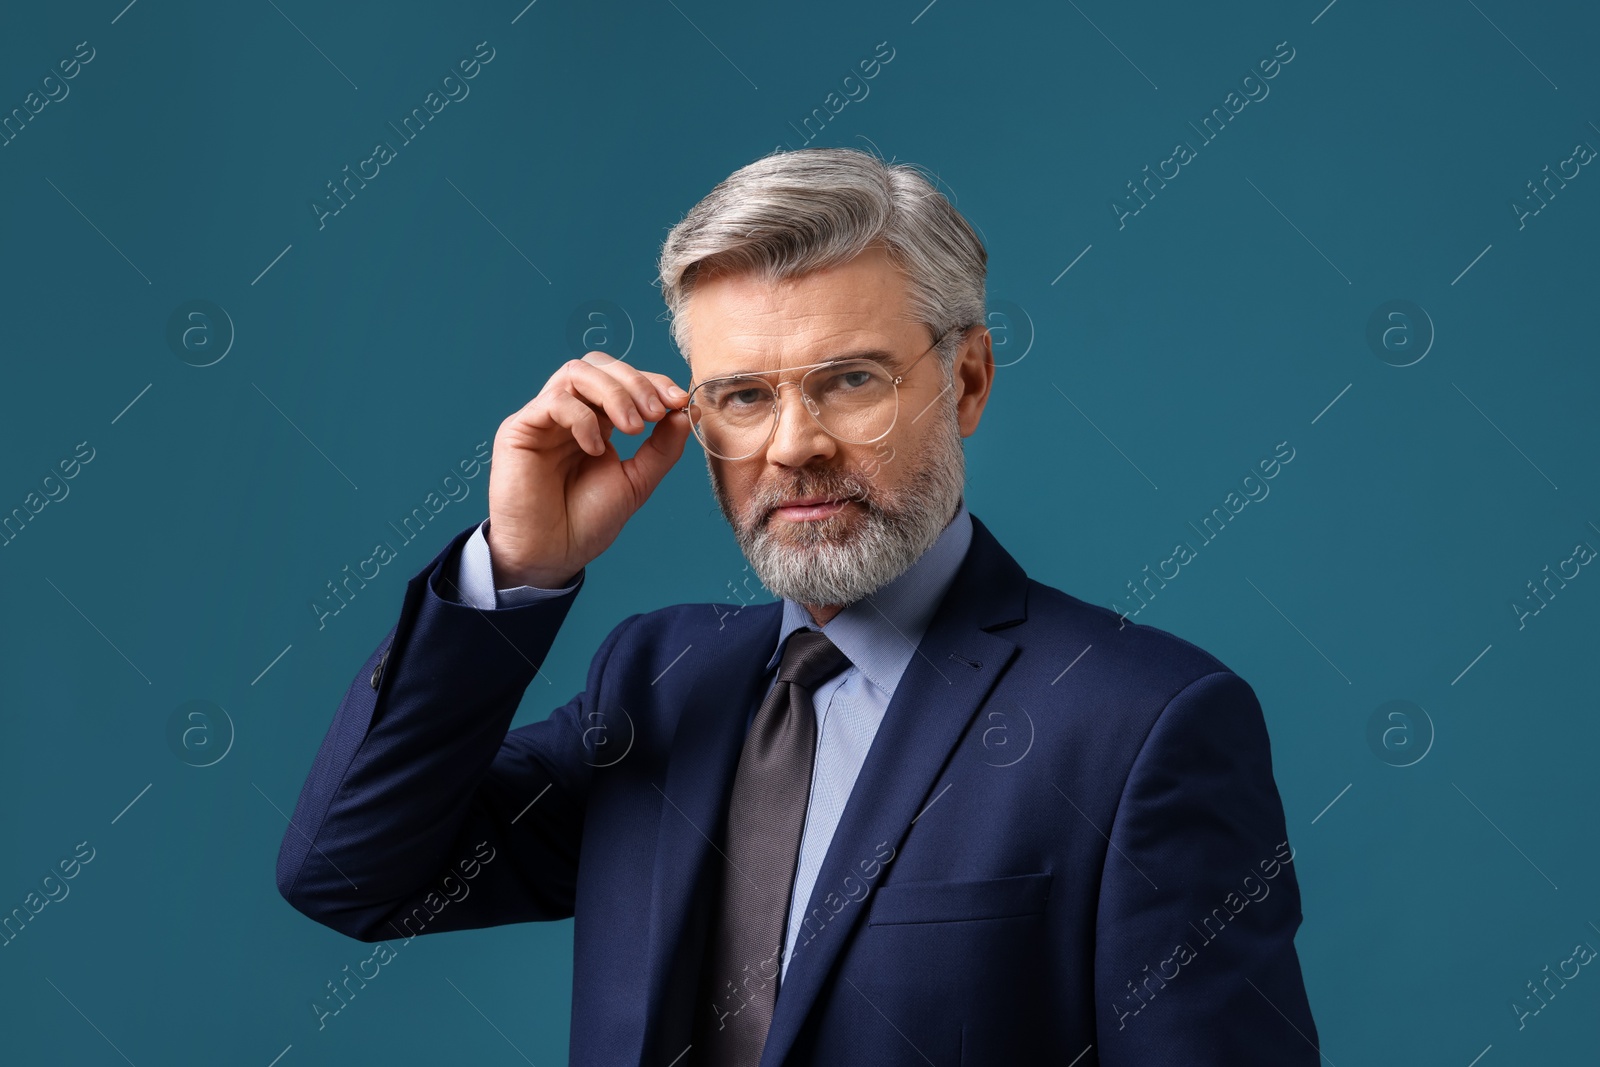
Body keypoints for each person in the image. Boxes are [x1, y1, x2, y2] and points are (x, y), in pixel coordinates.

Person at [276, 146, 1319, 1065]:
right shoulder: (656, 679)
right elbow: (353, 874)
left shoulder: (1141, 723)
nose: (793, 444)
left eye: (850, 380)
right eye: (742, 395)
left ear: (965, 380)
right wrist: (517, 566)